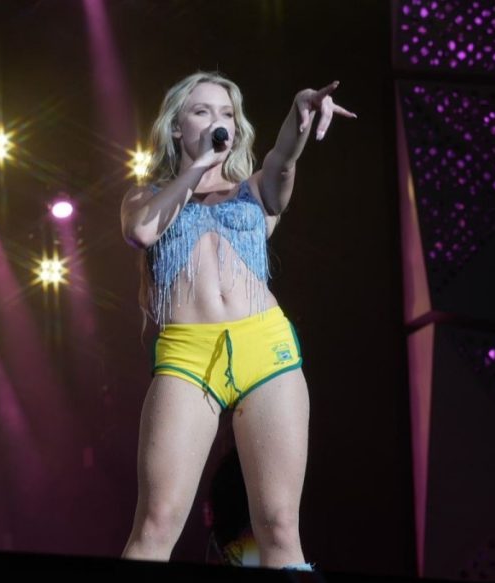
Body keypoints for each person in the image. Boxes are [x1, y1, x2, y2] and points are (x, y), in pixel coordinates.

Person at [118, 71, 355, 571]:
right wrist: (197, 169)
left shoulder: (254, 191)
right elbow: (141, 231)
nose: (217, 121)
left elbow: (283, 159)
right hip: (188, 356)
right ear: (177, 126)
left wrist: (298, 114)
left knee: (278, 524)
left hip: (265, 348)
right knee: (156, 524)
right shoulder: (146, 196)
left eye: (226, 113)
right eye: (202, 111)